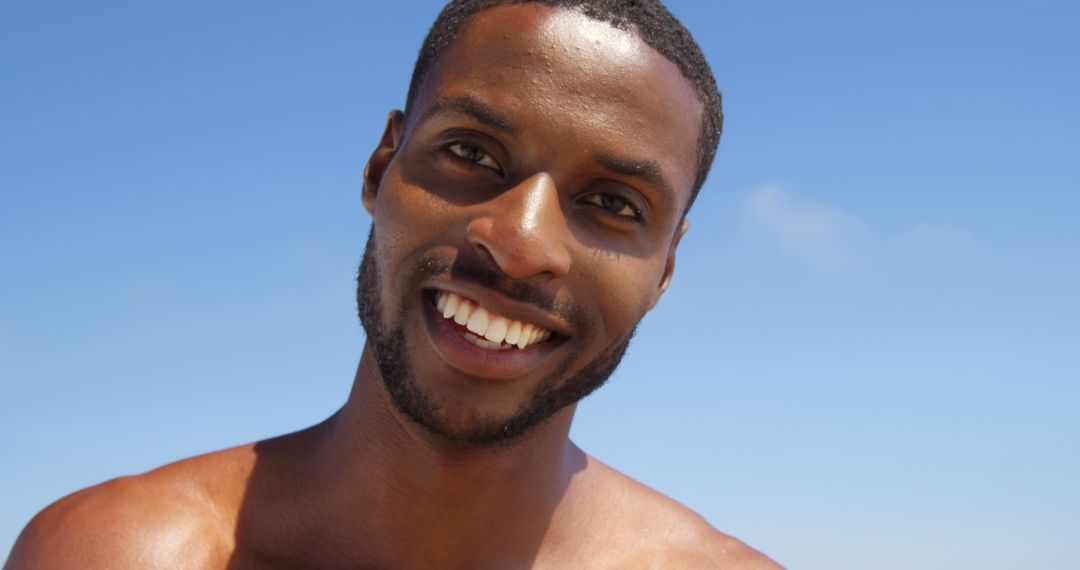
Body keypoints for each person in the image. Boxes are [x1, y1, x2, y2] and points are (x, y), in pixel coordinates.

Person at [6, 1, 780, 568]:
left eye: (613, 204)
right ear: (382, 168)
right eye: (472, 154)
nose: (519, 245)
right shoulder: (121, 556)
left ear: (666, 269)